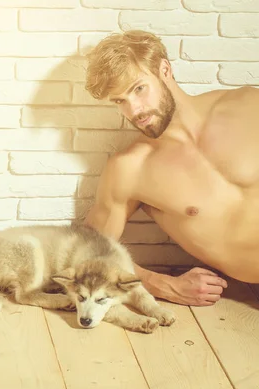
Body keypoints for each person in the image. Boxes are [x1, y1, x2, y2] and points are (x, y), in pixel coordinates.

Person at [82, 30, 259, 307]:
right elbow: (89, 252)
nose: (134, 110)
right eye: (120, 101)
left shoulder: (249, 105)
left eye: (139, 89)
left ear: (165, 70)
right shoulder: (130, 169)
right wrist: (161, 284)